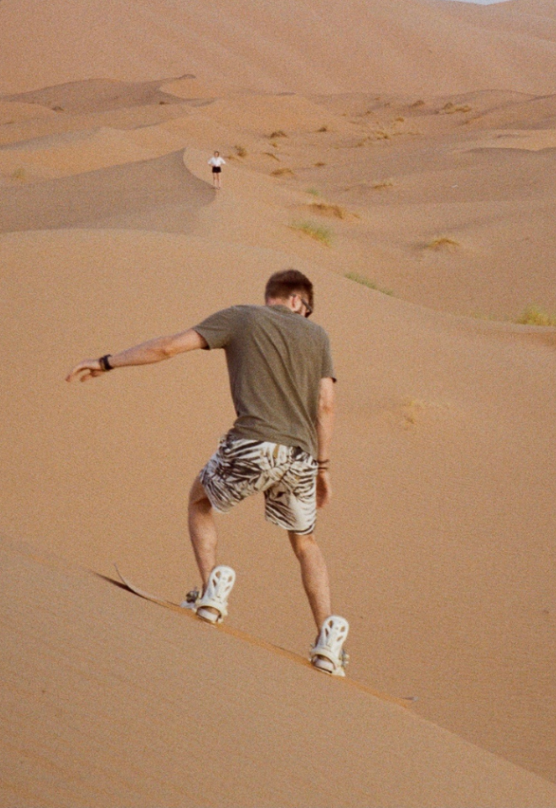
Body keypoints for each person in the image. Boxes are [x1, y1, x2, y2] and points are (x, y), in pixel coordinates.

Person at [66, 269, 349, 675]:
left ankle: (212, 592)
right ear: (296, 302)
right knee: (306, 544)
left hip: (252, 442)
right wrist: (322, 467)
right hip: (301, 457)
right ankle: (327, 640)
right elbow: (326, 405)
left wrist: (106, 362)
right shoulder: (318, 336)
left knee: (200, 500)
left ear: (276, 297)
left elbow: (166, 348)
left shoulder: (241, 317)